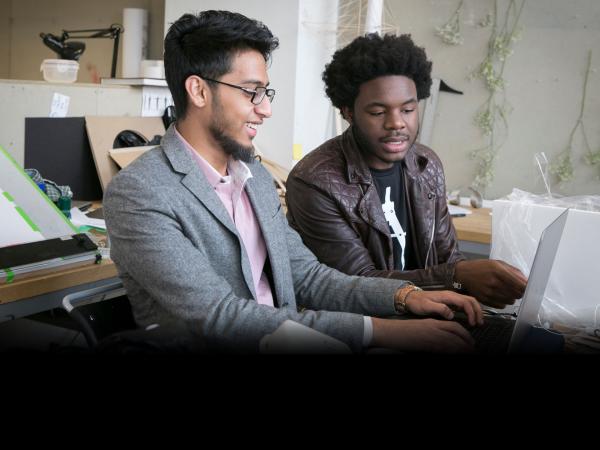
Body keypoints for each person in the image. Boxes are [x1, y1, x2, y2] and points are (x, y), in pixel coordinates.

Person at [104, 11, 483, 354]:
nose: (266, 109)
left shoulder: (254, 178)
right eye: (252, 92)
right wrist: (381, 330)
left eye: (265, 93)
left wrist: (403, 296)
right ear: (199, 91)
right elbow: (220, 316)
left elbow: (309, 277)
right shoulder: (139, 192)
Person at [285, 33, 527, 309]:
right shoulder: (316, 182)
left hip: (431, 317)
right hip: (364, 329)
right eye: (378, 112)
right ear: (348, 112)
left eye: (408, 109)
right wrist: (458, 277)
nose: (397, 123)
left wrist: (468, 280)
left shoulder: (426, 165)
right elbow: (357, 283)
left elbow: (448, 259)